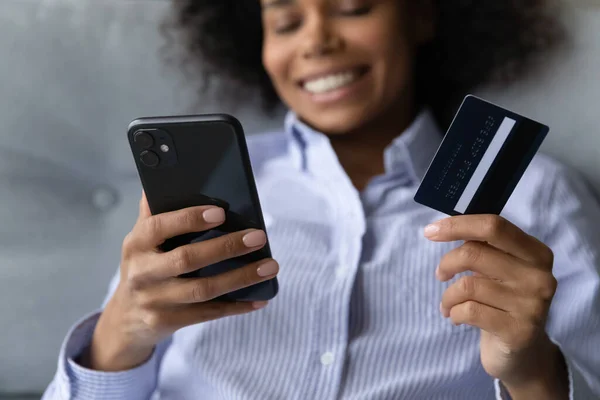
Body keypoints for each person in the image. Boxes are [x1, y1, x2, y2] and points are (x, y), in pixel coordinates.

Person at [43, 0, 600, 399]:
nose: (316, 40)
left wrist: (531, 373)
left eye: (354, 9)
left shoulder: (535, 194)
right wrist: (120, 333)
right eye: (285, 21)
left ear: (422, 15)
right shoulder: (202, 185)